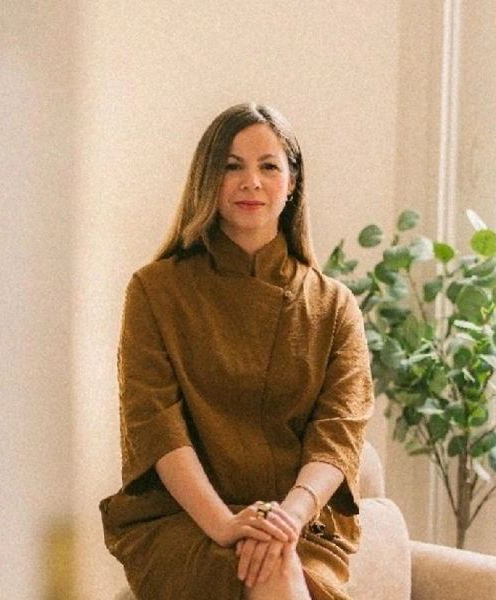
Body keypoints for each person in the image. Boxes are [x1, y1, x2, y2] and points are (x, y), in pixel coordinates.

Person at [99, 102, 375, 600]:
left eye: (268, 166)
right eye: (232, 166)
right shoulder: (154, 291)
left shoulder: (334, 306)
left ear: (292, 183)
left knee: (277, 561)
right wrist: (225, 524)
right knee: (270, 569)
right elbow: (156, 427)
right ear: (208, 179)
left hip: (302, 524)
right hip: (182, 520)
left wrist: (286, 519)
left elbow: (339, 436)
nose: (251, 182)